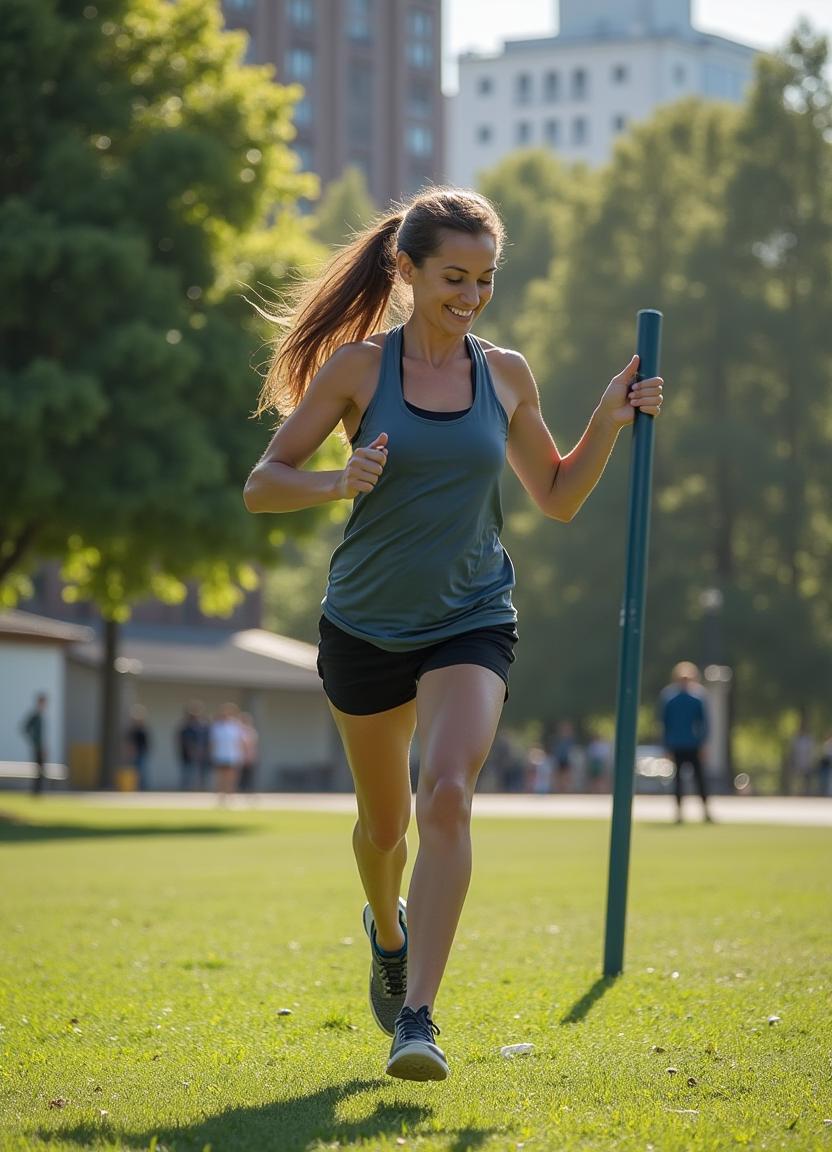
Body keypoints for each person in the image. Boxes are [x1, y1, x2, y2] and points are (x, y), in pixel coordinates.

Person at [243, 187, 663, 1081]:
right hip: (363, 623)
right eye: (453, 277)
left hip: (471, 616)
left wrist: (609, 420)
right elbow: (263, 483)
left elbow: (554, 496)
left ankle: (419, 1019)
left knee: (446, 796)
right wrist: (336, 480)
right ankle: (385, 932)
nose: (471, 296)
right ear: (407, 270)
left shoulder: (505, 372)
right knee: (384, 830)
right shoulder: (359, 370)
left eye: (486, 279)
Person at [659, 662, 712, 823]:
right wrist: (666, 746)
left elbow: (703, 723)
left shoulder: (697, 698)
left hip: (693, 744)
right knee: (678, 781)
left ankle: (706, 811)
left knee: (700, 779)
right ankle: (679, 812)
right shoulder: (669, 698)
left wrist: (703, 743)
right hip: (676, 744)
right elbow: (664, 724)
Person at [211, 703, 244, 801]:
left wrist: (240, 755)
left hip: (232, 756)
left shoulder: (236, 726)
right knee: (220, 777)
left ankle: (230, 796)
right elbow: (213, 742)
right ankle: (220, 797)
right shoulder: (216, 727)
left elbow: (239, 742)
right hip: (220, 755)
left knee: (231, 778)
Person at [21, 693, 48, 796]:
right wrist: (35, 742)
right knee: (39, 769)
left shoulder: (41, 716)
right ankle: (36, 792)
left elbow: (42, 735)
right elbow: (25, 728)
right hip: (37, 747)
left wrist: (44, 746)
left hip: (41, 746)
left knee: (41, 769)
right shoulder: (35, 715)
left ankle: (38, 791)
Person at [176, 705, 202, 791]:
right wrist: (190, 750)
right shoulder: (184, 727)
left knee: (195, 775)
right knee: (186, 775)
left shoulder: (199, 727)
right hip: (185, 755)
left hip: (197, 755)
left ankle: (194, 790)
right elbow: (183, 741)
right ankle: (185, 791)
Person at [125, 705, 151, 791]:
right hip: (134, 754)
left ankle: (142, 788)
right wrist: (130, 753)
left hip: (142, 754)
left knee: (142, 772)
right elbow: (129, 743)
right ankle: (135, 788)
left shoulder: (144, 729)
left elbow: (147, 743)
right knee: (135, 773)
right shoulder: (132, 730)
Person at [238, 712, 259, 793]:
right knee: (241, 776)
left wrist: (252, 756)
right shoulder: (239, 731)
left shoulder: (252, 731)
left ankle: (249, 791)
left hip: (250, 757)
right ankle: (240, 790)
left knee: (249, 776)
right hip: (240, 757)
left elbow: (253, 745)